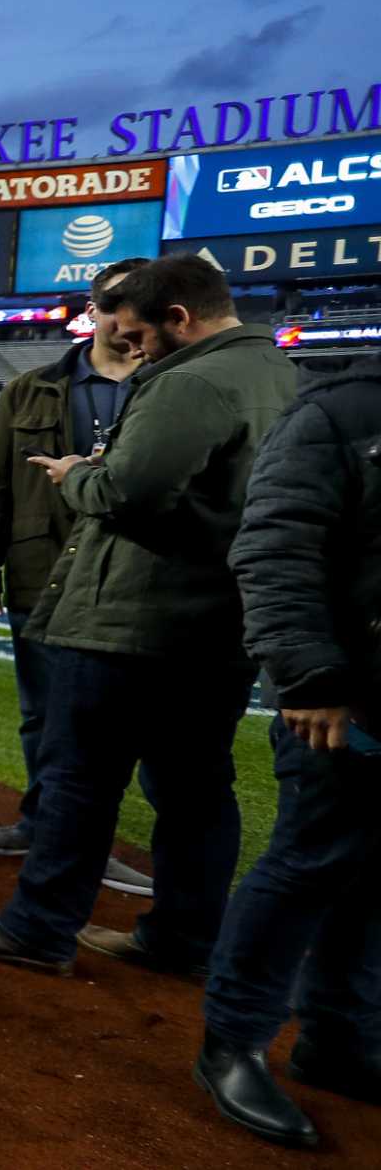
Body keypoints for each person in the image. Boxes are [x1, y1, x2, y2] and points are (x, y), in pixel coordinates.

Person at [0, 256, 298, 978]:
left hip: (136, 618)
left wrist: (77, 475)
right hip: (217, 621)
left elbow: (129, 493)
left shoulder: (190, 378)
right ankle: (184, 937)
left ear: (180, 318)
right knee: (196, 791)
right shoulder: (276, 373)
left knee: (78, 779)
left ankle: (39, 926)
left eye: (140, 333)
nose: (135, 348)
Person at [194, 350, 381, 1149]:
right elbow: (272, 547)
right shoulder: (342, 413)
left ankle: (339, 1038)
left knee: (369, 871)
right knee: (310, 857)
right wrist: (306, 674)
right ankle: (232, 1042)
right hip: (346, 693)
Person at [0, 258, 154, 900]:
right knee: (41, 713)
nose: (130, 324)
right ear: (93, 310)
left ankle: (87, 842)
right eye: (118, 308)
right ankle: (40, 823)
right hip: (41, 573)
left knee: (112, 725)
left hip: (131, 581)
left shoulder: (173, 385)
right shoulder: (31, 388)